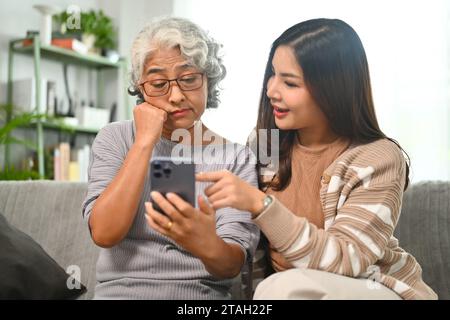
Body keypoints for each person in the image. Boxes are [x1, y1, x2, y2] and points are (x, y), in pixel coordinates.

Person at [196, 18, 438, 299]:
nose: (272, 91)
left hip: (374, 287)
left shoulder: (379, 158)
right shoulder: (267, 145)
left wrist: (260, 204)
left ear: (332, 89)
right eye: (272, 75)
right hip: (294, 292)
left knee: (284, 287)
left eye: (289, 82)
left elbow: (348, 259)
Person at [81, 17, 259, 299]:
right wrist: (144, 143)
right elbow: (104, 233)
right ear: (141, 88)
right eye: (159, 83)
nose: (176, 95)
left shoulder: (235, 158)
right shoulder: (114, 139)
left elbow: (232, 266)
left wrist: (205, 242)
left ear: (207, 79)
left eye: (188, 79)